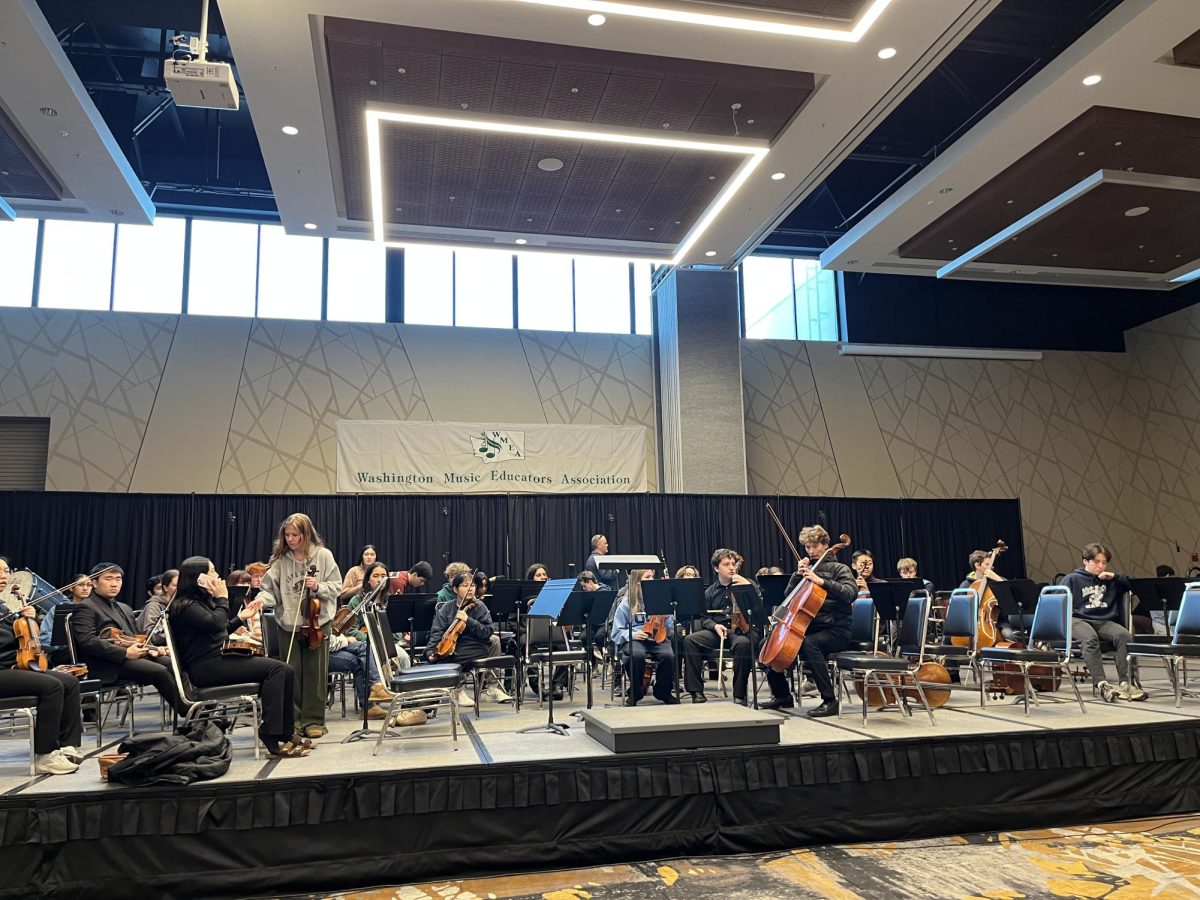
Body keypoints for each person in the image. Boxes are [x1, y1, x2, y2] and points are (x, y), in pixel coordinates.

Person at [166, 556, 308, 758]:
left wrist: (240, 618)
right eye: (212, 571)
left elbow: (219, 632)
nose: (217, 576)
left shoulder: (197, 602)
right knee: (277, 670)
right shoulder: (186, 606)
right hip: (206, 668)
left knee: (286, 669)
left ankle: (284, 732)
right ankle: (270, 733)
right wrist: (222, 597)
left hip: (215, 659)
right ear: (200, 578)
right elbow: (216, 624)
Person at [255, 513, 342, 739]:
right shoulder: (279, 560)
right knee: (290, 673)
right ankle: (292, 720)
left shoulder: (323, 556)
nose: (291, 539)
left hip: (317, 623)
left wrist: (318, 586)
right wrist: (261, 600)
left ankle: (314, 720)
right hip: (288, 625)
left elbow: (337, 586)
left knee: (316, 674)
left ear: (306, 534)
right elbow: (268, 589)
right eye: (287, 534)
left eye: (296, 535)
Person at [70, 562, 190, 718]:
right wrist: (125, 652)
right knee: (159, 671)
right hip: (108, 663)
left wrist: (153, 648)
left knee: (175, 663)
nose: (114, 583)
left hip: (133, 657)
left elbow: (137, 637)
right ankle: (190, 714)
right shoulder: (86, 607)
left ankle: (198, 705)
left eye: (118, 579)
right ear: (94, 582)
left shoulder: (124, 607)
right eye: (108, 579)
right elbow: (88, 641)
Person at [762, 525, 857, 717]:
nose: (811, 551)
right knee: (767, 644)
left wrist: (821, 581)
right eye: (807, 547)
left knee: (809, 644)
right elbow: (789, 597)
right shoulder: (807, 570)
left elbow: (850, 593)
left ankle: (829, 700)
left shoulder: (840, 569)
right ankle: (782, 695)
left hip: (836, 630)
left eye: (814, 546)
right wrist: (797, 576)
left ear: (825, 545)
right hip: (808, 628)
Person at [0, 558, 84, 774]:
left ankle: (67, 746)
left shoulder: (4, 605)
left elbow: (19, 638)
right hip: (3, 669)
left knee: (70, 681)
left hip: (14, 665)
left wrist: (28, 618)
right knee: (52, 686)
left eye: (6, 571)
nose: (4, 576)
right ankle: (45, 754)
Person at [1060, 543, 1146, 702]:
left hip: (1103, 620)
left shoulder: (1110, 580)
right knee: (1089, 638)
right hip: (1078, 619)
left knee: (1124, 636)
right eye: (1096, 562)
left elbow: (1138, 584)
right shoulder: (1072, 578)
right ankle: (1101, 683)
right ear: (1085, 561)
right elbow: (1059, 603)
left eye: (1104, 562)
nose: (1101, 566)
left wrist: (1114, 576)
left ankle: (1126, 683)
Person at [428, 572, 511, 706]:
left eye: (472, 585)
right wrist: (431, 652)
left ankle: (473, 688)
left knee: (492, 640)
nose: (470, 588)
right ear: (455, 589)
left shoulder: (479, 607)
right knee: (438, 658)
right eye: (465, 585)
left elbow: (487, 631)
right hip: (455, 648)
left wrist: (468, 620)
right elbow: (437, 633)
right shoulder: (446, 609)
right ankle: (454, 689)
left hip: (477, 646)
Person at [685, 549, 755, 705]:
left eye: (733, 564)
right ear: (716, 568)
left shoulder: (745, 584)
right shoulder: (709, 592)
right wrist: (715, 625)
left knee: (743, 645)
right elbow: (704, 617)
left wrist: (749, 587)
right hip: (719, 632)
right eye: (726, 564)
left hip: (741, 631)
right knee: (690, 640)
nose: (732, 568)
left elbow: (758, 607)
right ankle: (696, 692)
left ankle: (740, 695)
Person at [329, 561, 391, 721]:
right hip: (333, 647)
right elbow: (345, 632)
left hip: (371, 644)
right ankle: (373, 696)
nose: (379, 580)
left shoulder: (390, 600)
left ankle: (374, 704)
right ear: (368, 579)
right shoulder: (357, 601)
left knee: (364, 656)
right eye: (375, 576)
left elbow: (395, 630)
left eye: (383, 576)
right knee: (364, 654)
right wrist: (347, 640)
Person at [612, 569, 677, 706]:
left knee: (668, 656)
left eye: (653, 576)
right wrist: (633, 634)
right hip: (634, 638)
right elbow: (617, 632)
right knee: (636, 655)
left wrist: (668, 613)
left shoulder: (658, 599)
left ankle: (662, 691)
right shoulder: (626, 604)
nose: (652, 579)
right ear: (637, 582)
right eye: (648, 577)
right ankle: (636, 692)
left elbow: (670, 627)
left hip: (657, 637)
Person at [41, 574, 92, 667]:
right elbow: (44, 638)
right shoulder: (57, 609)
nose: (85, 588)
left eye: (89, 585)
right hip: (62, 654)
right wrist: (67, 643)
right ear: (71, 588)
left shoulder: (95, 609)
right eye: (80, 585)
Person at [138, 569, 178, 635]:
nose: (179, 588)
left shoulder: (178, 605)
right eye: (175, 585)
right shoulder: (153, 606)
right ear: (165, 588)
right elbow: (152, 634)